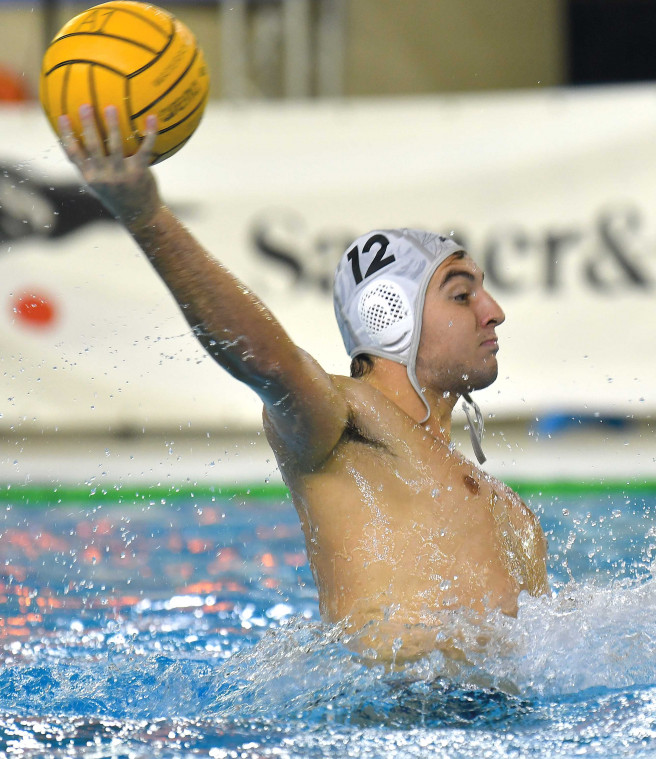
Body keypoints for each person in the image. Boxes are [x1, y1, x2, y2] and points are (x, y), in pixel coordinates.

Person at [56, 105, 548, 667]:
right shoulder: (344, 420)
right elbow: (266, 361)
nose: (495, 312)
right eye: (463, 295)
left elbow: (550, 643)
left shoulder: (508, 509)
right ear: (393, 317)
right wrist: (146, 216)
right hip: (388, 726)